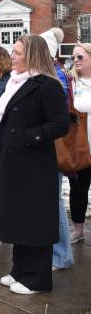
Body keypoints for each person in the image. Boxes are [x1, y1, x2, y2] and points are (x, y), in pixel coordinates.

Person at [0, 35, 69, 294]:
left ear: (33, 56)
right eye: (12, 51)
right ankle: (20, 270)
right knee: (18, 218)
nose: (12, 56)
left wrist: (29, 137)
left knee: (34, 220)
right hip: (13, 162)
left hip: (34, 163)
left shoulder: (47, 85)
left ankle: (37, 279)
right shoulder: (16, 82)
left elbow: (59, 125)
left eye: (17, 52)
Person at [39, 28, 74, 272]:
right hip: (42, 149)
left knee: (53, 202)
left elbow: (56, 118)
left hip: (51, 148)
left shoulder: (55, 78)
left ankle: (61, 255)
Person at [68, 43, 91, 245]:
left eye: (80, 57)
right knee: (78, 189)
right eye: (74, 57)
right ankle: (78, 229)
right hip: (80, 147)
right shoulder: (72, 84)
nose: (75, 60)